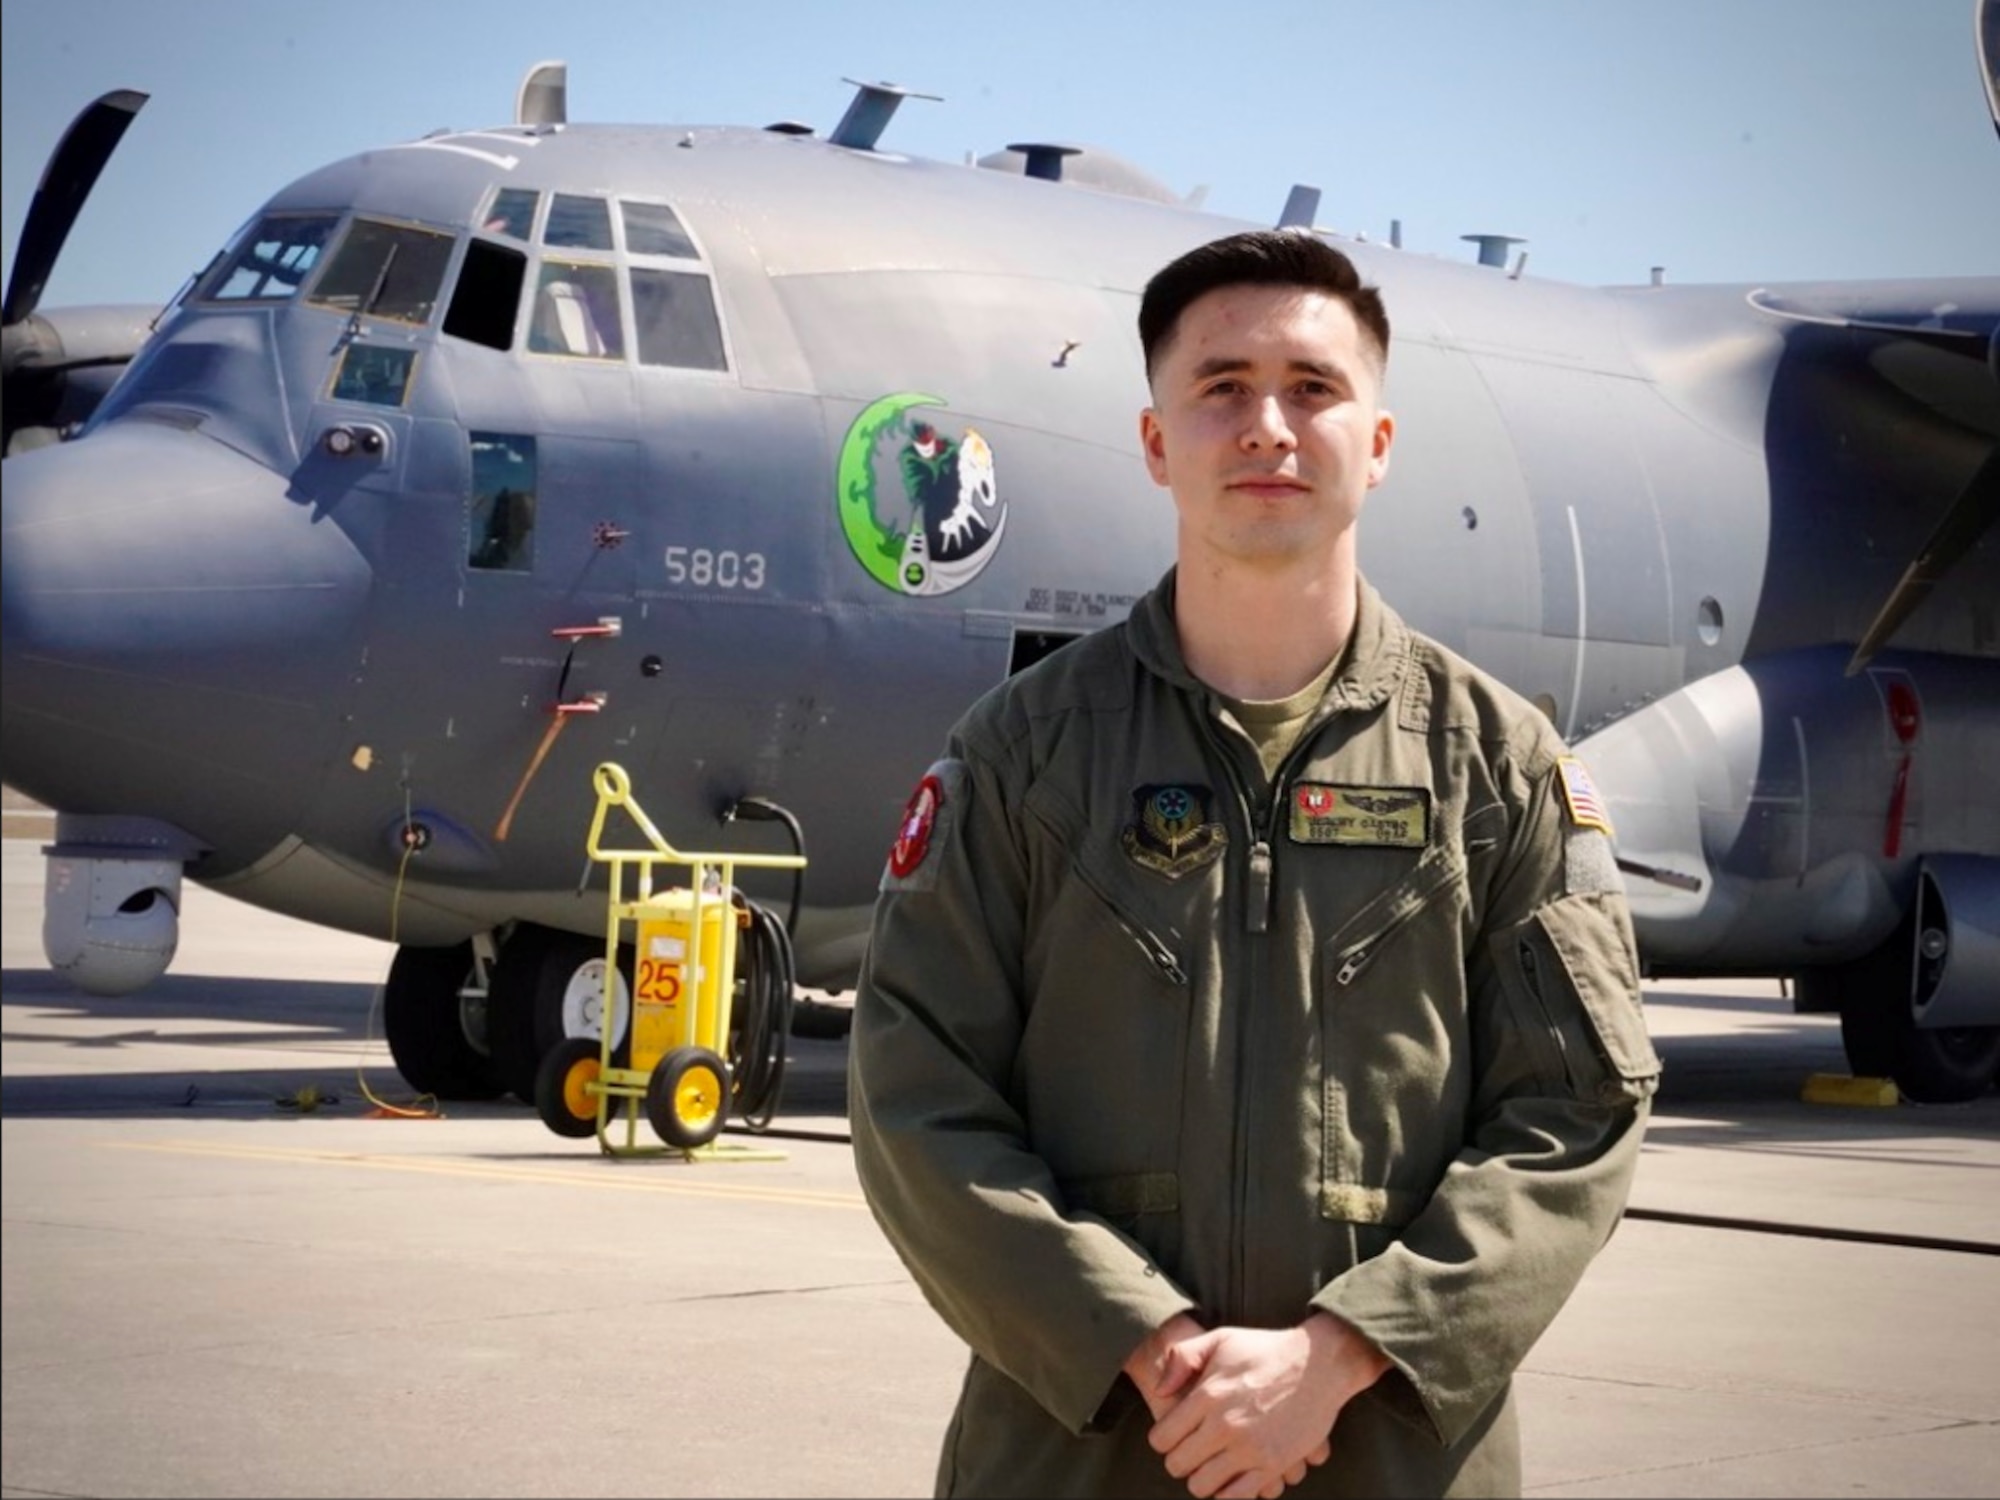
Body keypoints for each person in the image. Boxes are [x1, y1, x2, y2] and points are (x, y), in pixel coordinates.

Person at [848, 229, 1660, 1500]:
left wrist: (1338, 1358)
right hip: (1079, 1457)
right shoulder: (1021, 754)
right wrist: (1149, 1351)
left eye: (1313, 388)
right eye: (1220, 388)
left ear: (1376, 445)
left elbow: (1574, 1115)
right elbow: (912, 1094)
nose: (1267, 426)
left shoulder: (1493, 764)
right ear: (1156, 440)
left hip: (1385, 1454)